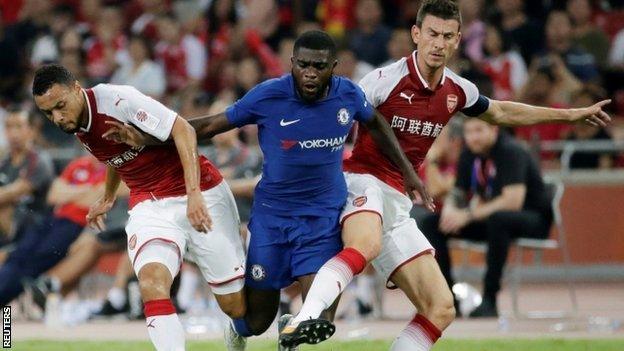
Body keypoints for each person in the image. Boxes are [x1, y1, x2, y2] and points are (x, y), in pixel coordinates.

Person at [279, 1, 611, 350]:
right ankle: (301, 320)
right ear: (416, 34)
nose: (438, 43)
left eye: (447, 36)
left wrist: (570, 115)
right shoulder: (382, 80)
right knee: (365, 244)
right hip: (362, 181)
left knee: (440, 308)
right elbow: (333, 119)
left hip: (397, 202)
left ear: (457, 41)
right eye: (433, 34)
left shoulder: (457, 90)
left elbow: (500, 112)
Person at [101, 30, 431, 351]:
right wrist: (148, 137)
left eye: (319, 66)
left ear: (333, 67)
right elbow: (212, 125)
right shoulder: (269, 95)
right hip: (272, 222)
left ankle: (290, 333)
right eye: (303, 65)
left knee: (320, 318)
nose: (310, 73)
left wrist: (407, 170)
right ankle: (237, 329)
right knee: (256, 320)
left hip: (322, 221)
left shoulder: (349, 95)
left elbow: (376, 123)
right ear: (292, 63)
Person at [32, 64, 246, 351]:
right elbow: (115, 156)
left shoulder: (118, 100)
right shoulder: (77, 123)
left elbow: (183, 129)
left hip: (200, 190)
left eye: (60, 106)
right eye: (48, 113)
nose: (57, 117)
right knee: (151, 282)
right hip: (149, 203)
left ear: (76, 88)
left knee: (236, 307)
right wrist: (108, 196)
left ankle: (237, 324)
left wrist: (194, 193)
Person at [420, 118, 554, 318]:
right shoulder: (469, 153)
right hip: (492, 219)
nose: (473, 137)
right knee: (432, 223)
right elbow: (458, 192)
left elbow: (513, 202)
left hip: (532, 219)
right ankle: (447, 298)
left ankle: (489, 300)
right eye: (469, 131)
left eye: (479, 130)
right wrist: (449, 210)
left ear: (494, 129)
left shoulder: (511, 151)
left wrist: (468, 215)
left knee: (499, 219)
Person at [0, 109, 54, 250]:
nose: (13, 133)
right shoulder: (4, 160)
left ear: (32, 130)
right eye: (8, 127)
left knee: (4, 205)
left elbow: (12, 193)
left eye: (18, 126)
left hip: (34, 224)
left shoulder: (39, 160)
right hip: (9, 225)